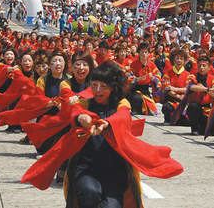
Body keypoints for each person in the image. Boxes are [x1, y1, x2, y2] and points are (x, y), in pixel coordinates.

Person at [21, 62, 183, 207]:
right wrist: (81, 117)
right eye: (95, 85)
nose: (98, 90)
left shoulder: (122, 103)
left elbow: (123, 116)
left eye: (103, 86)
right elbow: (74, 110)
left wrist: (108, 123)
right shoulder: (85, 102)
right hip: (86, 168)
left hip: (115, 171)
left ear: (113, 87)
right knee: (90, 193)